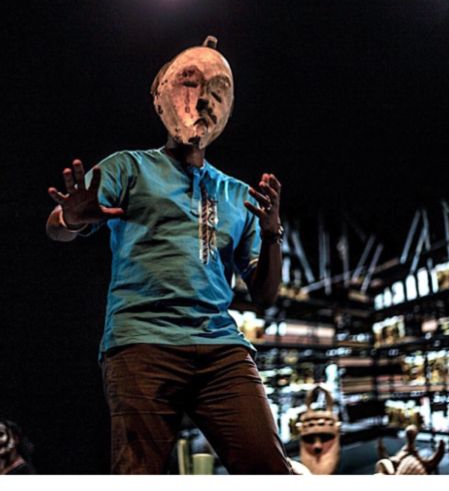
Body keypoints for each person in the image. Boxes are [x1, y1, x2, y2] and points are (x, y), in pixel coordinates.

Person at [45, 36, 292, 475]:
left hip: (219, 347)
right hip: (142, 342)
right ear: (160, 93)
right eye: (191, 84)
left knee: (268, 468)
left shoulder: (238, 195)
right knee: (138, 472)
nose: (203, 102)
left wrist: (272, 234)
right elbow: (56, 227)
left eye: (219, 94)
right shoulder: (130, 167)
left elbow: (265, 294)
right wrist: (72, 219)